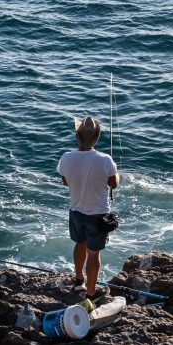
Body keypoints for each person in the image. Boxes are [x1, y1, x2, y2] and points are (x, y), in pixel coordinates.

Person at [57, 116, 119, 309]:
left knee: (79, 244)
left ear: (77, 136)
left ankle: (78, 282)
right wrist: (117, 174)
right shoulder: (105, 160)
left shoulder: (66, 158)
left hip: (75, 212)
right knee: (93, 254)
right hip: (98, 215)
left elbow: (65, 181)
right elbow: (113, 184)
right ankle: (90, 294)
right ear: (97, 137)